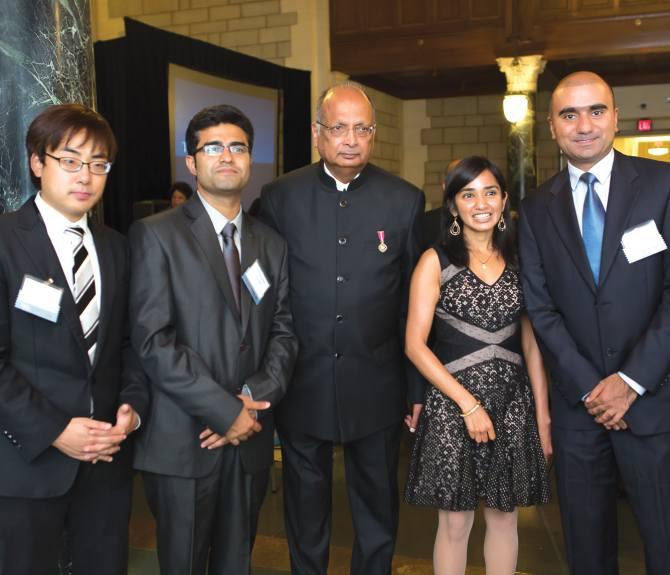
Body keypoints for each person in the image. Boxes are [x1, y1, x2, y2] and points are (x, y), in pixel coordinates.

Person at [259, 82, 425, 575]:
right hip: (301, 380)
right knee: (304, 505)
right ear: (317, 134)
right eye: (339, 127)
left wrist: (415, 388)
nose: (350, 139)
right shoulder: (278, 197)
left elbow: (413, 306)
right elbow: (266, 294)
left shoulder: (404, 200)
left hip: (376, 382)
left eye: (362, 128)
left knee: (377, 505)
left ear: (373, 135)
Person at [128, 104, 297, 575]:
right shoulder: (155, 235)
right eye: (214, 147)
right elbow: (152, 341)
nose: (227, 156)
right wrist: (224, 412)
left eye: (238, 146)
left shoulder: (271, 243)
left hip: (250, 440)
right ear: (191, 161)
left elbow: (284, 333)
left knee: (236, 564)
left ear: (250, 159)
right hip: (184, 441)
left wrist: (250, 400)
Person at [519, 71, 670, 575]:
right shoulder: (536, 207)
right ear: (552, 127)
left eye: (595, 111)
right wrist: (593, 389)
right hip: (578, 413)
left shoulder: (662, 185)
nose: (583, 125)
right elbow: (540, 309)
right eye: (569, 114)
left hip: (653, 404)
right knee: (586, 552)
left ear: (615, 117)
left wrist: (628, 382)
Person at [0, 103, 148, 575]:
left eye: (98, 164)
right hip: (27, 463)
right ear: (37, 163)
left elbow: (128, 343)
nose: (85, 175)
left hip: (105, 460)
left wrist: (132, 407)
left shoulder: (116, 246)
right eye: (70, 160)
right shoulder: (5, 241)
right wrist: (56, 431)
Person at [405, 156, 551, 574]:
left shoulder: (522, 260)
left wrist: (542, 416)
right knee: (454, 521)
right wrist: (467, 405)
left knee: (505, 518)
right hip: (454, 407)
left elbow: (531, 342)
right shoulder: (435, 262)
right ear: (453, 206)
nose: (481, 203)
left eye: (490, 192)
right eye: (468, 194)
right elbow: (415, 345)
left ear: (504, 200)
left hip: (512, 403)